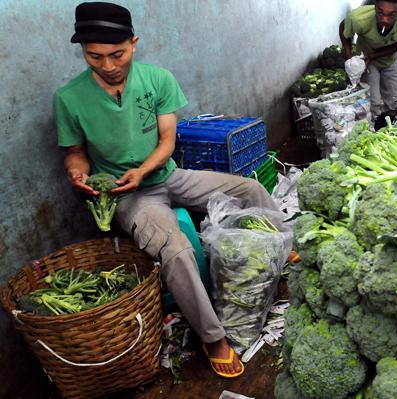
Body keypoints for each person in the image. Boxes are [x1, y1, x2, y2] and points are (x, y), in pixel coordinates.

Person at [54, 1, 279, 379]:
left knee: (250, 189)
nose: (108, 66)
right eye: (95, 56)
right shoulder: (69, 98)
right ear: (83, 51)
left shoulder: (157, 79)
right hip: (129, 195)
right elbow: (75, 153)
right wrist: (77, 174)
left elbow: (167, 140)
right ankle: (213, 337)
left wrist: (143, 169)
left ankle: (281, 249)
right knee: (176, 251)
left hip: (167, 175)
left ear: (134, 43)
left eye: (117, 54)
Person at [339, 0, 397, 118]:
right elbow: (343, 28)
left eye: (391, 15)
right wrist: (350, 57)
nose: (384, 20)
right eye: (380, 13)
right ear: (374, 7)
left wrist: (374, 56)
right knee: (372, 101)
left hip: (390, 59)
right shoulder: (358, 18)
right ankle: (372, 126)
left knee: (394, 101)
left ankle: (391, 125)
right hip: (366, 60)